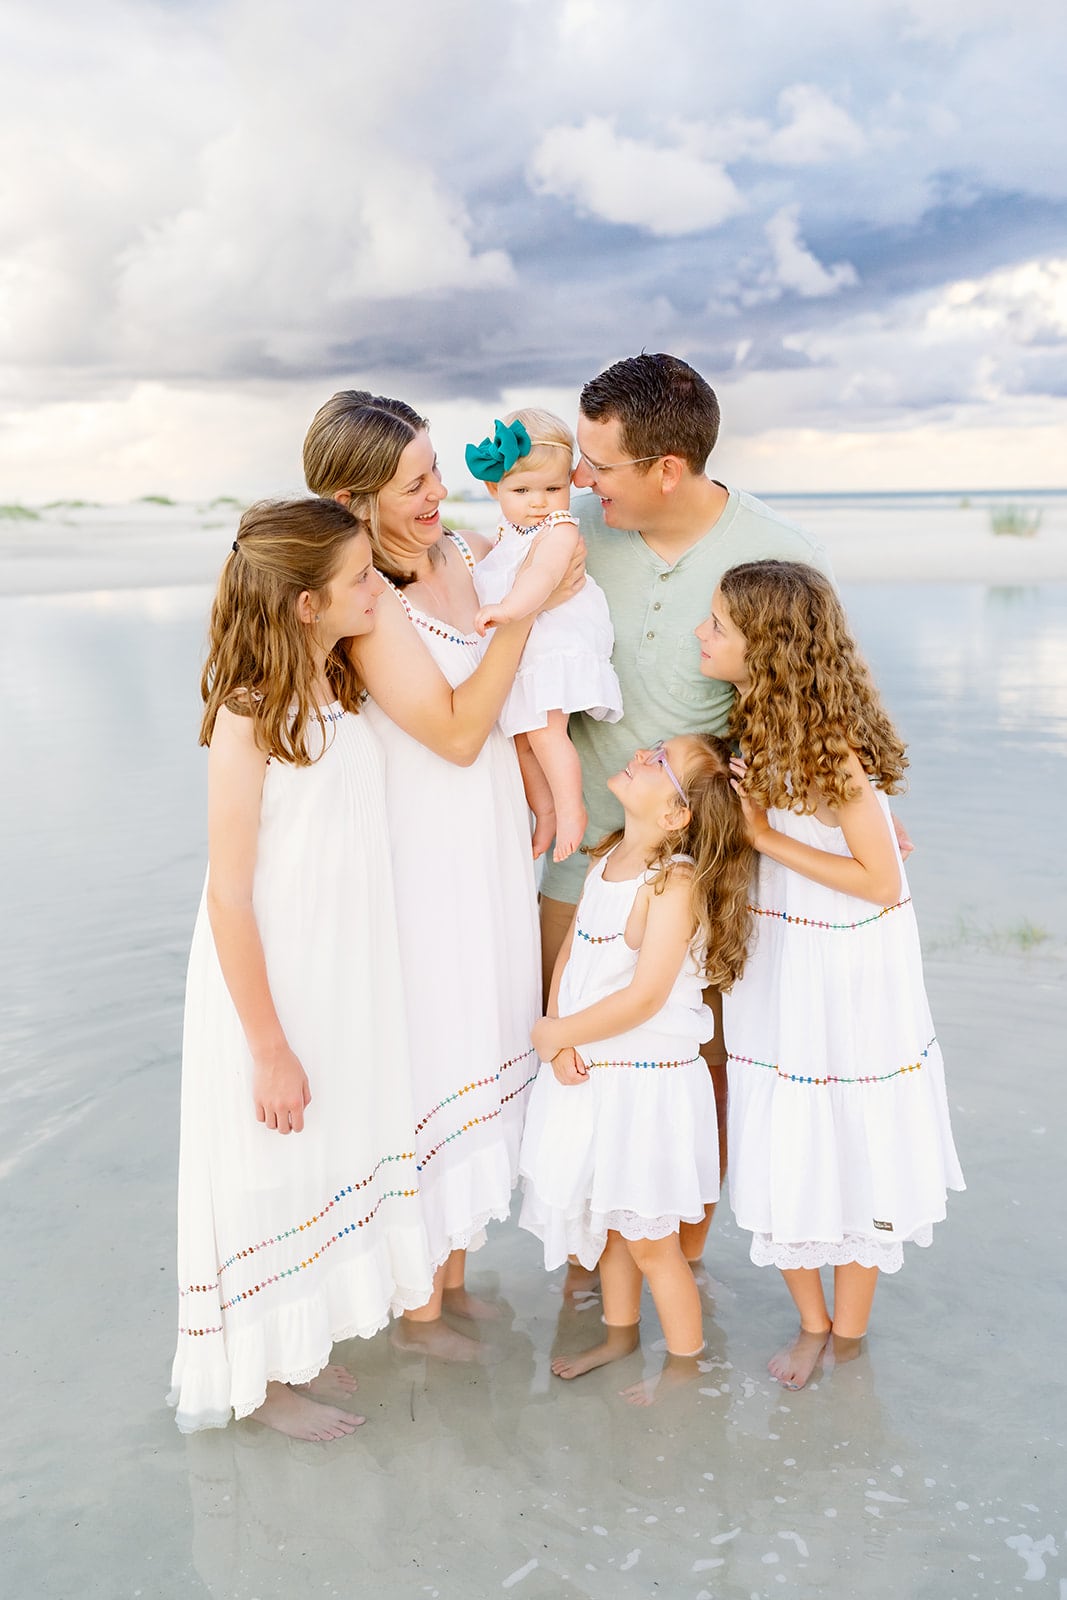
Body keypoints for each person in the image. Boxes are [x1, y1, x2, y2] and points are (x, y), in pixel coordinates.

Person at [537, 352, 833, 1270]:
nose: (581, 480)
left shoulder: (778, 555)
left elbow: (794, 717)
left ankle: (677, 1264)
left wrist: (859, 813)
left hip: (701, 870)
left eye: (598, 464)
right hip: (572, 855)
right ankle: (592, 1273)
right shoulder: (566, 531)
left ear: (666, 467)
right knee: (574, 1056)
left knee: (694, 1066)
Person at [303, 391, 579, 1360]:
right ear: (354, 496)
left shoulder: (459, 552)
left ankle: (451, 1281)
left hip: (490, 837)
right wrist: (522, 613)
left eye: (434, 471)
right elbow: (460, 730)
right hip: (421, 855)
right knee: (431, 1056)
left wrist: (540, 782)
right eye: (413, 481)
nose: (436, 493)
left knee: (485, 1047)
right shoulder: (369, 601)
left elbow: (555, 570)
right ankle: (416, 1309)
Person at [169, 498, 434, 1440]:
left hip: (338, 966)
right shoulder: (252, 716)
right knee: (262, 1163)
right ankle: (260, 1382)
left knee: (321, 1152)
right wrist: (268, 1046)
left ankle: (299, 1346)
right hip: (270, 981)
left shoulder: (334, 686)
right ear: (303, 605)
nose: (378, 588)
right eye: (359, 578)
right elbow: (229, 896)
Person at [696, 560, 964, 1390]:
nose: (700, 637)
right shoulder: (757, 723)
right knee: (785, 1124)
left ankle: (845, 1334)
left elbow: (881, 883)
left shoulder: (835, 752)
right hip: (780, 954)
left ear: (765, 647)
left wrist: (765, 837)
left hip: (842, 963)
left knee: (849, 1128)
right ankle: (812, 1322)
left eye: (716, 626)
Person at [519, 734, 752, 1397]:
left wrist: (562, 1030)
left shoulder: (671, 882)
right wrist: (561, 1036)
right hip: (596, 1070)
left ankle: (684, 1363)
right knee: (613, 1223)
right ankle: (620, 1334)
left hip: (646, 1087)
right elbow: (572, 952)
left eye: (661, 762)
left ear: (678, 816)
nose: (644, 753)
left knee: (651, 1240)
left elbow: (646, 996)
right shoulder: (607, 858)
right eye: (652, 748)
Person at [465, 408, 622, 863]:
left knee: (547, 730)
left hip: (557, 637)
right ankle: (545, 811)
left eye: (553, 489)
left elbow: (544, 574)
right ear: (495, 489)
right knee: (521, 735)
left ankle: (572, 809)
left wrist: (507, 609)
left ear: (569, 486)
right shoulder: (511, 531)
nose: (539, 502)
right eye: (522, 490)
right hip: (526, 641)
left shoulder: (560, 528)